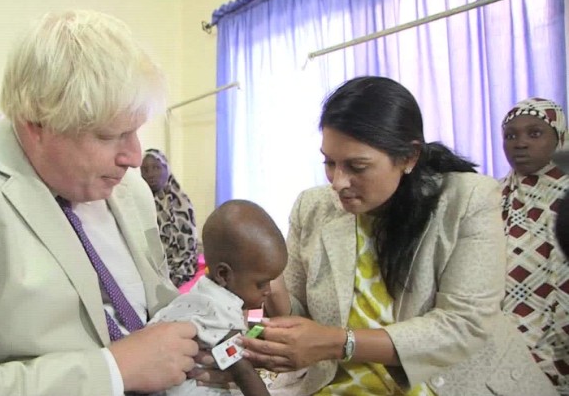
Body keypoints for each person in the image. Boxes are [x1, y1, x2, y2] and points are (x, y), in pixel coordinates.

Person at [0, 10, 201, 396]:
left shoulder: (132, 191)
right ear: (36, 124)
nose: (133, 156)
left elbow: (151, 307)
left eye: (136, 131)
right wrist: (114, 369)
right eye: (110, 135)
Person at [238, 76, 556, 395]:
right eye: (329, 162)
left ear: (408, 157)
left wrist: (338, 343)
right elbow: (298, 312)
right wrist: (268, 291)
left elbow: (463, 325)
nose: (338, 182)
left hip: (450, 385)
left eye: (357, 166)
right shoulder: (314, 207)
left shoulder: (468, 200)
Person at [149, 199, 287, 396]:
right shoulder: (217, 314)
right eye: (261, 283)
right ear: (224, 275)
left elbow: (245, 331)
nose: (268, 291)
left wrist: (259, 328)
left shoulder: (203, 295)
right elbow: (244, 373)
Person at [500, 98, 569, 393]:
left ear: (560, 136)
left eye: (535, 133)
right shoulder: (491, 198)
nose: (520, 144)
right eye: (510, 136)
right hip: (507, 338)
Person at [140, 148, 199, 287]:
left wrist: (174, 276)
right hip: (149, 272)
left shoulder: (182, 204)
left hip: (181, 271)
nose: (151, 174)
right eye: (145, 169)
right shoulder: (138, 204)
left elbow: (188, 251)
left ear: (167, 170)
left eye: (156, 168)